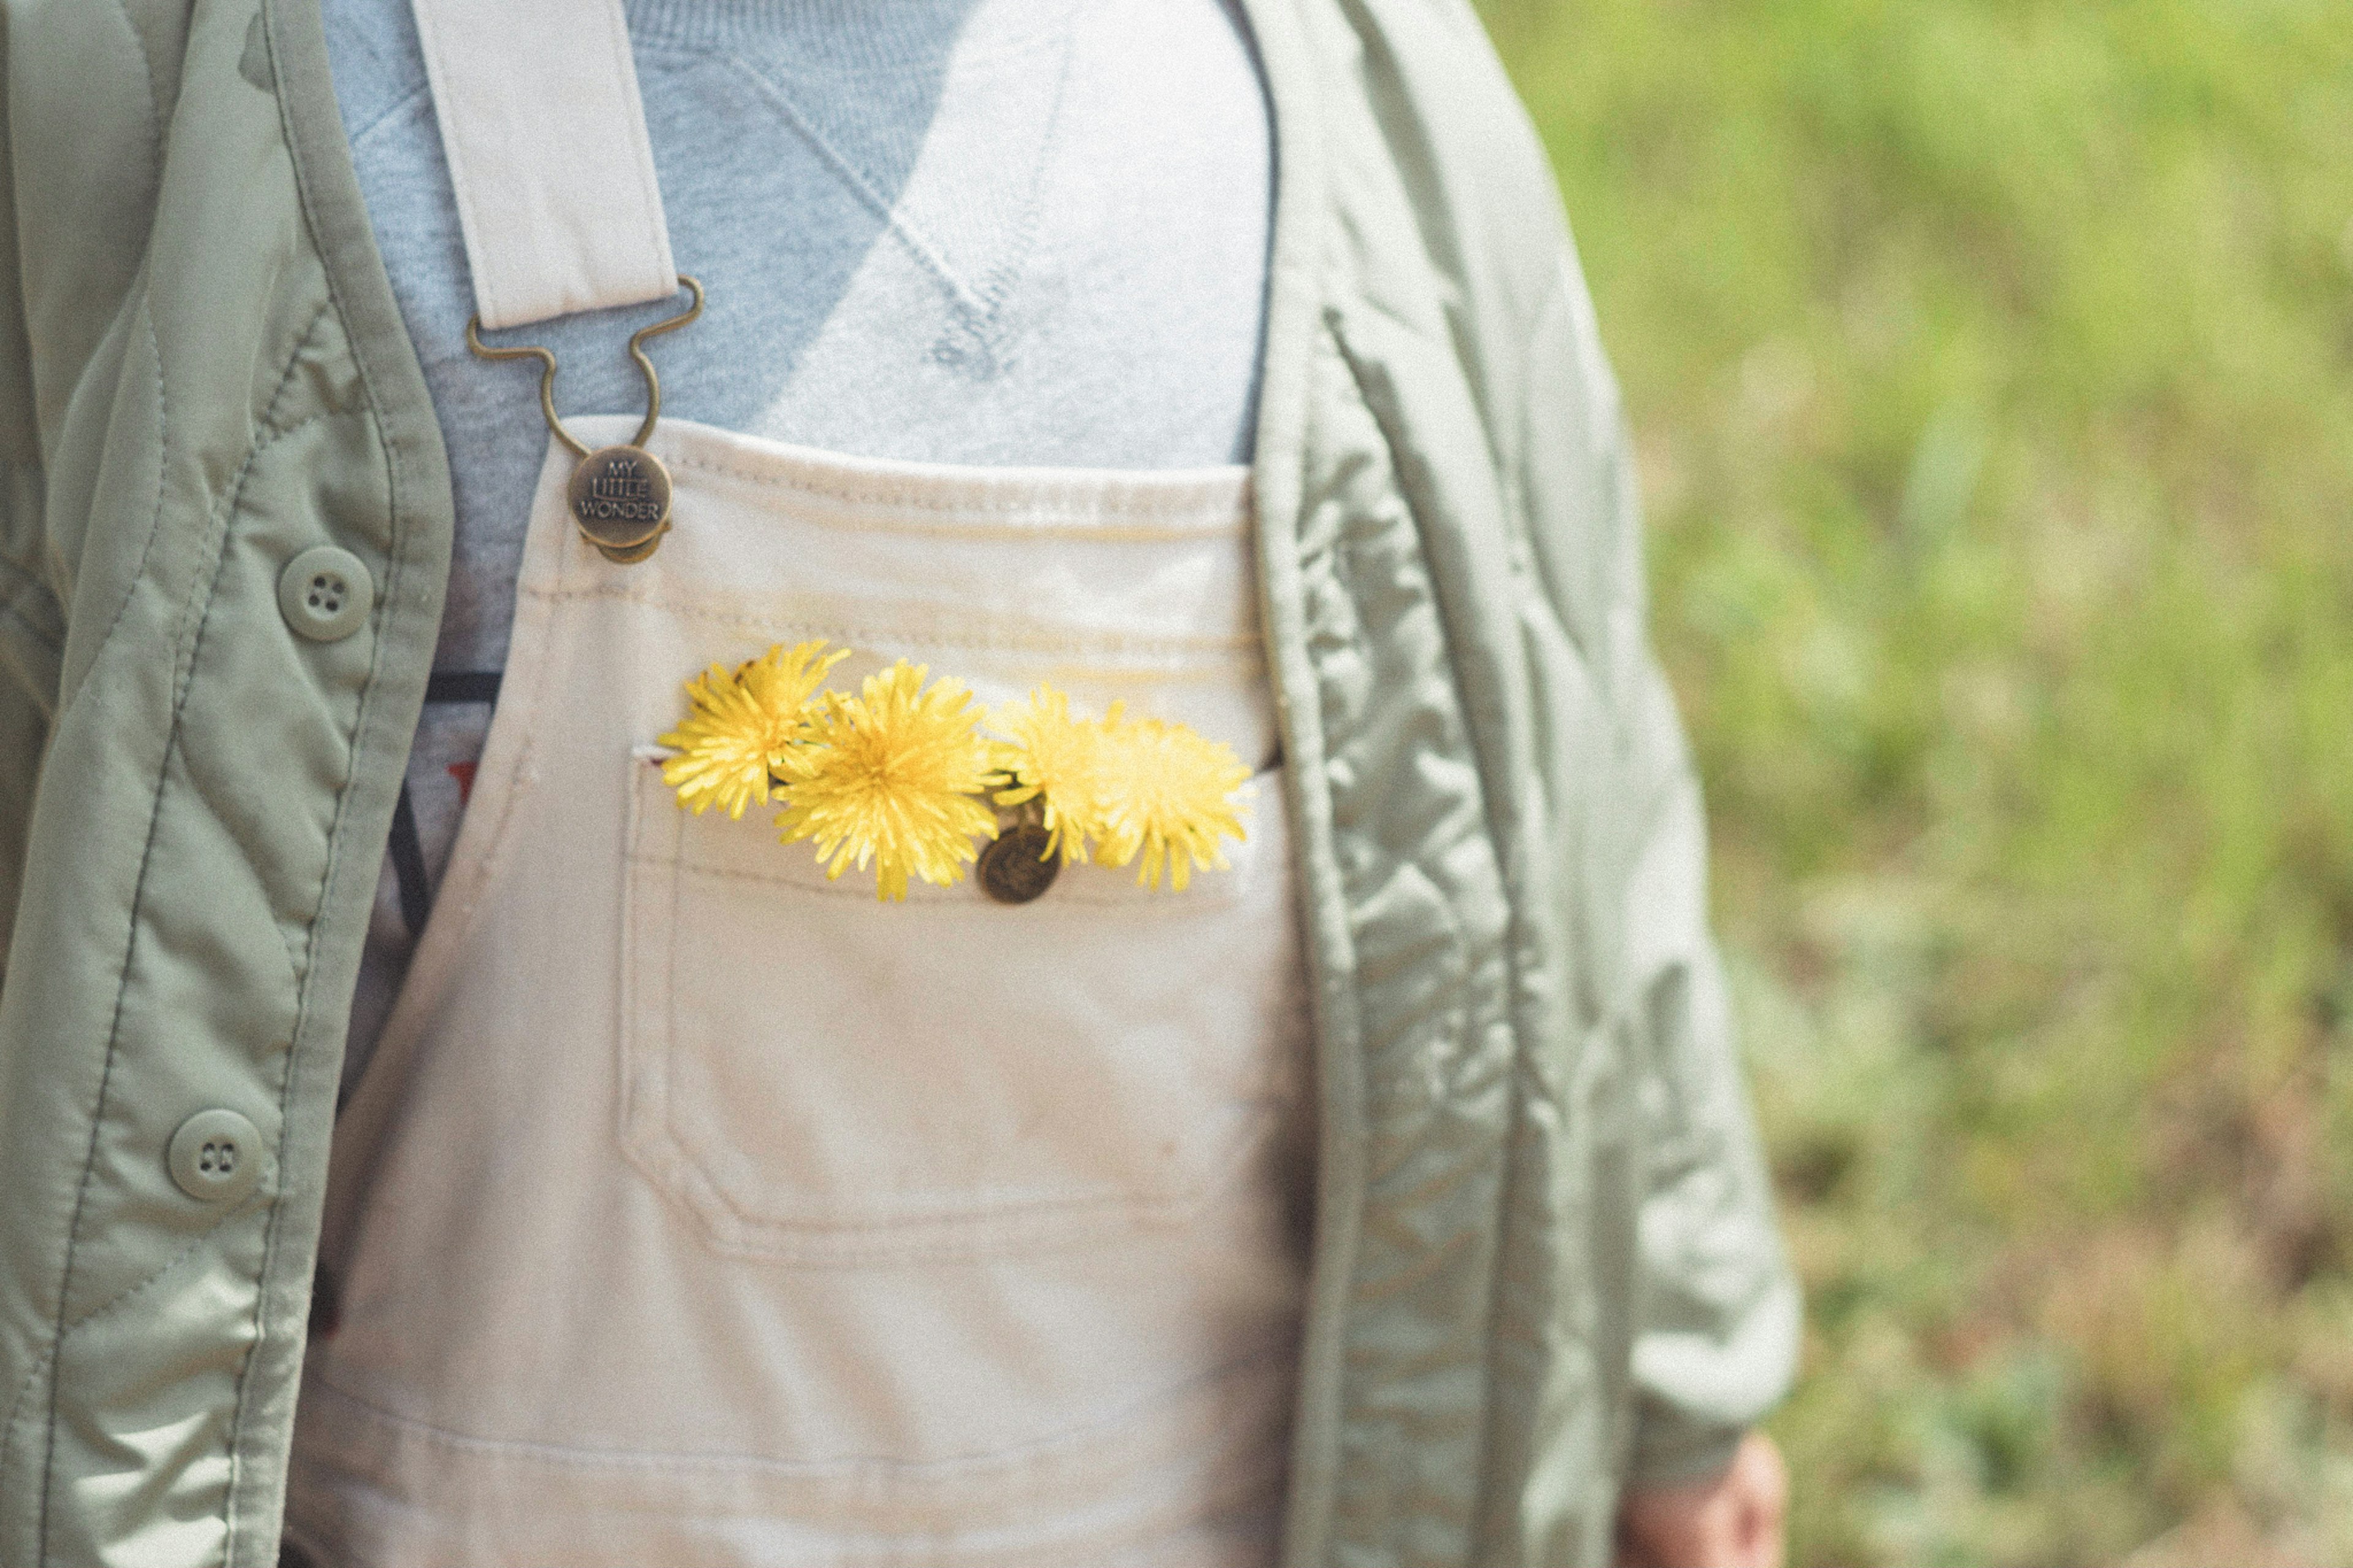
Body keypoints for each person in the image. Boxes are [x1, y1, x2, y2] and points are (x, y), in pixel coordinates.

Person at [0, 0, 1798, 1563]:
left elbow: (1574, 765)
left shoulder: (1360, 107)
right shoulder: (196, 121)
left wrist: (1674, 1372)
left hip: (1223, 1503)